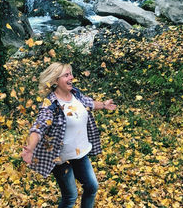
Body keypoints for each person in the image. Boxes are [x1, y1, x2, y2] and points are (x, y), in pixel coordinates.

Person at [21, 62, 117, 208]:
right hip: (61, 158)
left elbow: (89, 103)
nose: (71, 77)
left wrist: (104, 105)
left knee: (92, 187)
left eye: (70, 74)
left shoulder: (76, 94)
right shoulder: (50, 104)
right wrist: (30, 148)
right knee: (70, 196)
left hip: (79, 153)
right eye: (66, 75)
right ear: (55, 81)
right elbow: (39, 127)